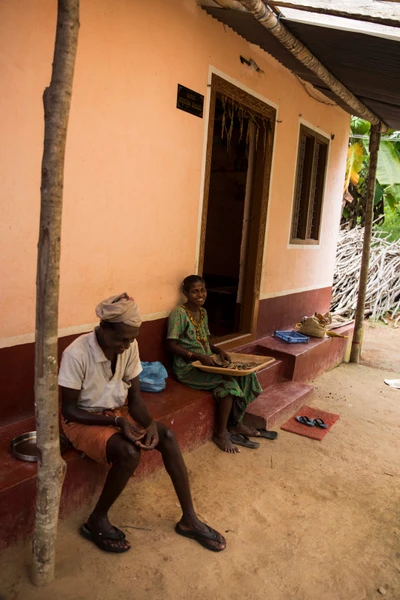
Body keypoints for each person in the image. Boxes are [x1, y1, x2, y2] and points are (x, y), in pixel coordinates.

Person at [59, 292, 226, 554]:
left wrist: (149, 424)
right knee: (128, 452)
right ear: (103, 328)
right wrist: (117, 422)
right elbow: (69, 410)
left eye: (132, 339)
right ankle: (96, 521)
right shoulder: (76, 353)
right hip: (81, 420)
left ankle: (189, 519)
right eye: (121, 339)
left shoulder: (129, 346)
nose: (126, 345)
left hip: (117, 411)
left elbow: (135, 401)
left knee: (167, 436)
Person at [167, 275, 263, 454]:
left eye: (202, 290)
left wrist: (218, 351)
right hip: (188, 367)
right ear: (185, 293)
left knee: (247, 375)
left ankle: (236, 424)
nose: (200, 295)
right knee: (228, 384)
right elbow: (171, 345)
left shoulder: (203, 313)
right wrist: (196, 356)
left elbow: (206, 340)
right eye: (195, 291)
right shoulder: (179, 314)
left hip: (208, 361)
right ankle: (220, 433)